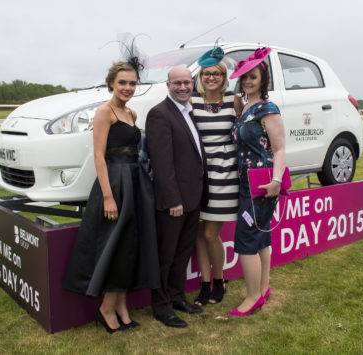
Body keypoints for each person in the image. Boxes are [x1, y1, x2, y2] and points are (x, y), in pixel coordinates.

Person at [62, 60, 160, 333]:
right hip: (115, 184)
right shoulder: (104, 113)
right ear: (111, 84)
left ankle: (121, 305)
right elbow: (98, 156)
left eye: (132, 83)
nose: (128, 87)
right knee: (115, 247)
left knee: (129, 247)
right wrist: (107, 196)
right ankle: (106, 308)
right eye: (122, 83)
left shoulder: (131, 113)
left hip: (134, 182)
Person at [145, 65, 208, 328]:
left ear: (192, 84)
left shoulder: (189, 112)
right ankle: (161, 307)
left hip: (193, 199)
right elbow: (162, 163)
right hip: (174, 203)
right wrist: (173, 201)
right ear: (167, 85)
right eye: (177, 83)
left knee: (182, 254)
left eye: (186, 82)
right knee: (166, 256)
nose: (182, 87)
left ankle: (177, 297)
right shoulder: (159, 114)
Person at [228, 47, 286, 316]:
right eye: (245, 78)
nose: (248, 81)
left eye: (253, 77)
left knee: (246, 239)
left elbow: (280, 148)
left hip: (263, 183)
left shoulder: (267, 108)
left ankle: (252, 297)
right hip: (245, 181)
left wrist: (275, 181)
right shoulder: (245, 107)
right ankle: (263, 288)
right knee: (262, 237)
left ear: (263, 80)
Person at [191, 46, 242, 306]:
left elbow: (244, 134)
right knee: (199, 233)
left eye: (217, 74)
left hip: (225, 175)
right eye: (207, 73)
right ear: (201, 75)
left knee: (211, 234)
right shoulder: (192, 100)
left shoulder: (234, 100)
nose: (211, 77)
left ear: (224, 77)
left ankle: (219, 280)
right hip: (200, 175)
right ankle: (204, 283)